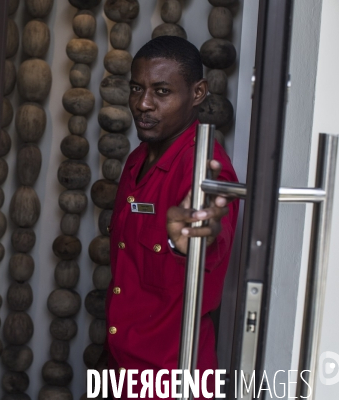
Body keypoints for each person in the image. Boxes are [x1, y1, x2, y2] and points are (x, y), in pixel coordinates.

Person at [97, 36, 239, 399]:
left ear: (197, 93)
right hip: (120, 372)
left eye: (161, 91)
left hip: (172, 380)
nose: (143, 104)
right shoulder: (135, 160)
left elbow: (211, 238)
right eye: (136, 89)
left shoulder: (207, 174)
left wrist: (193, 240)